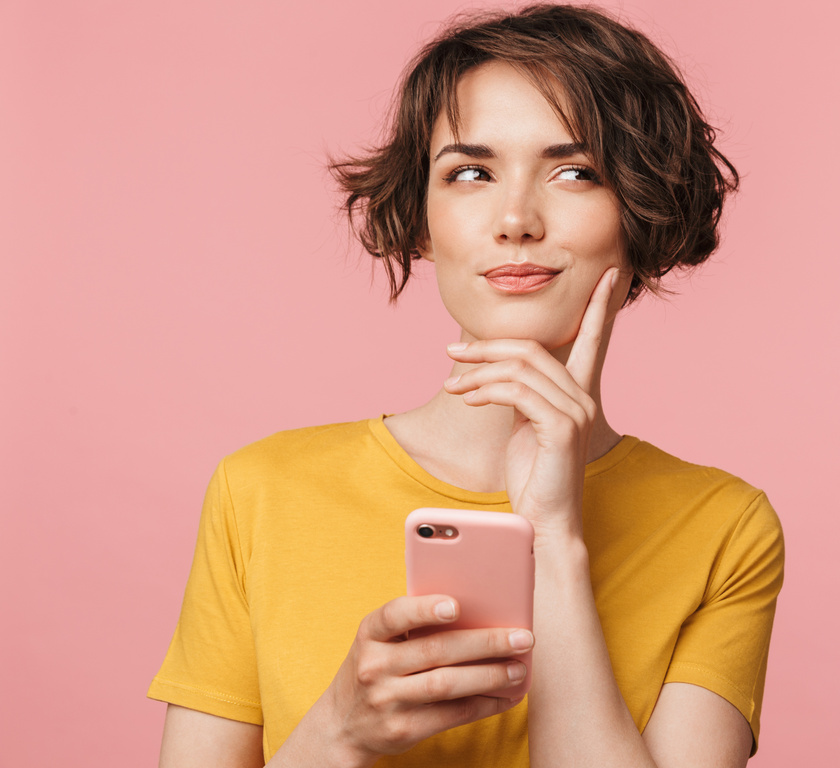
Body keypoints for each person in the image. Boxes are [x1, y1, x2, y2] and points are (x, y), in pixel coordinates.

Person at [149, 5, 784, 767]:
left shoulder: (725, 530)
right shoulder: (259, 492)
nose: (516, 217)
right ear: (422, 220)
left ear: (640, 215)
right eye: (471, 173)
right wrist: (339, 731)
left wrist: (552, 538)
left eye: (576, 172)